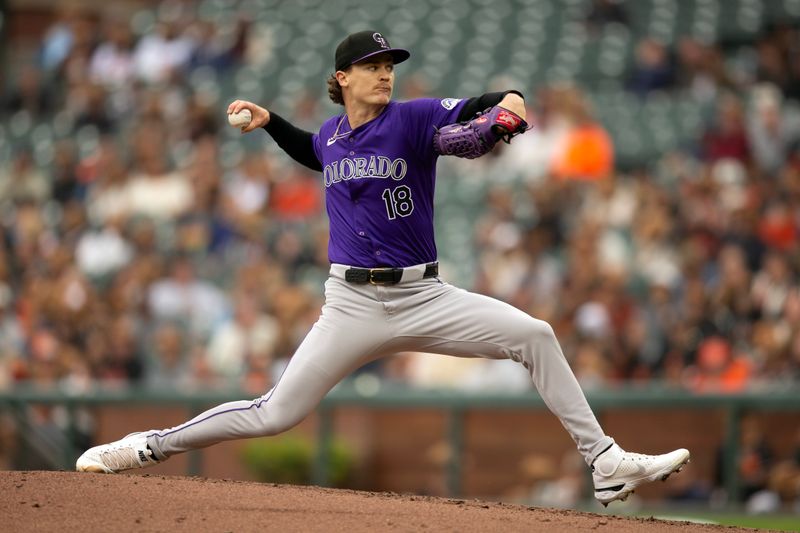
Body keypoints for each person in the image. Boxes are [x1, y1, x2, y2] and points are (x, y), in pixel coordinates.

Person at [76, 30, 689, 506]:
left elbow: (493, 100)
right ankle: (148, 445)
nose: (385, 73)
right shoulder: (333, 136)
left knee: (536, 335)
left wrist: (510, 110)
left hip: (426, 295)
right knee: (276, 414)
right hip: (352, 305)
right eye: (372, 66)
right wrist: (270, 125)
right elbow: (314, 152)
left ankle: (605, 463)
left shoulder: (415, 117)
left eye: (389, 65)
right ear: (342, 78)